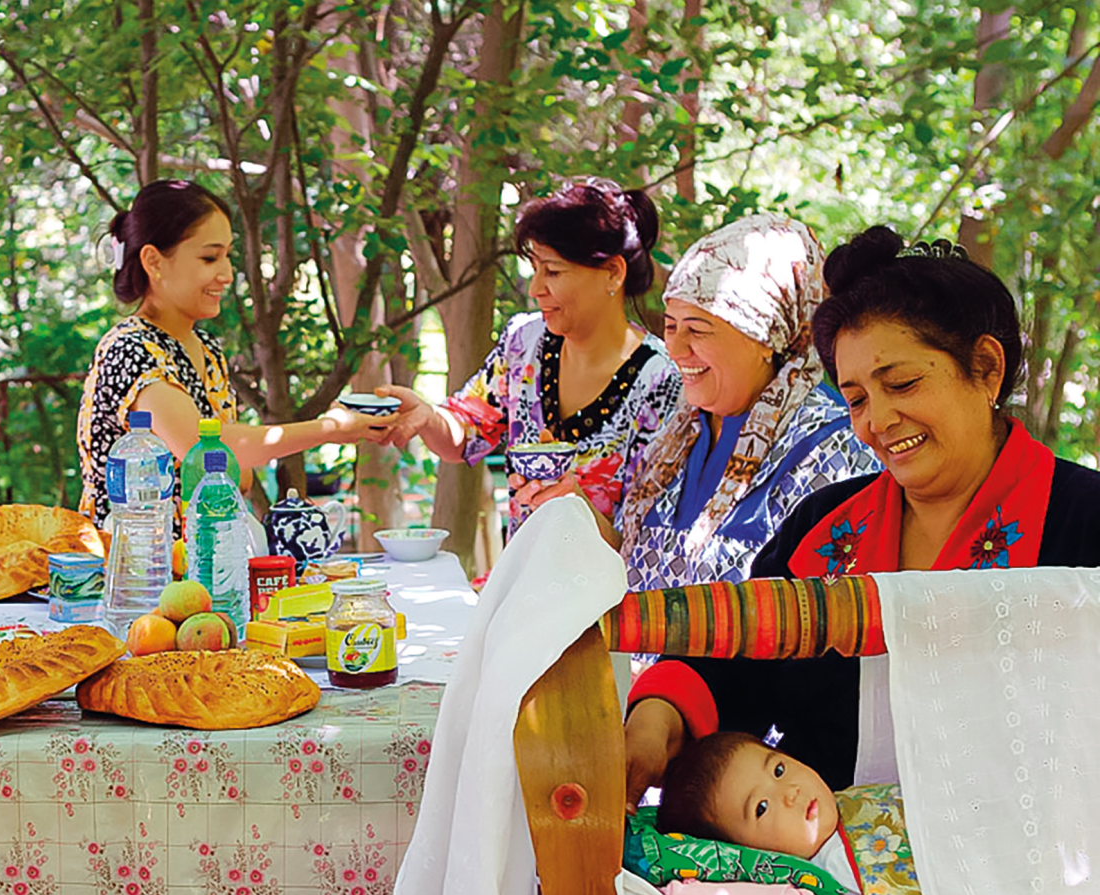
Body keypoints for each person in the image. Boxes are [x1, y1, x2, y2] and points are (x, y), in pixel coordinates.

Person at [623, 226, 1100, 802]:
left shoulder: (1083, 521)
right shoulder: (824, 526)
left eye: (902, 383)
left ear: (986, 368)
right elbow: (739, 659)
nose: (878, 420)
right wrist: (657, 716)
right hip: (827, 874)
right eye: (856, 399)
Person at [377, 178, 683, 531]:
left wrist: (576, 505)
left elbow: (647, 542)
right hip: (519, 581)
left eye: (552, 271)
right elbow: (464, 435)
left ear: (613, 273)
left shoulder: (661, 382)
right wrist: (428, 417)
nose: (536, 288)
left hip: (608, 586)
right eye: (535, 269)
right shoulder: (524, 342)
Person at [76, 179, 387, 523]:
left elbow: (238, 475)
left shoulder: (206, 349)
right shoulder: (129, 349)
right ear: (154, 261)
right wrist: (331, 428)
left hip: (204, 560)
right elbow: (213, 455)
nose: (226, 274)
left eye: (228, 256)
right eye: (210, 257)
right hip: (134, 567)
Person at [611, 214, 879, 590]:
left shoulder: (833, 450)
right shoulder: (675, 440)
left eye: (698, 330)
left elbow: (827, 612)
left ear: (766, 337)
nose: (674, 348)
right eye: (670, 326)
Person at [655, 731, 862, 895]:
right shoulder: (839, 866)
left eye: (779, 770)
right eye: (761, 808)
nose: (791, 792)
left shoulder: (849, 798)